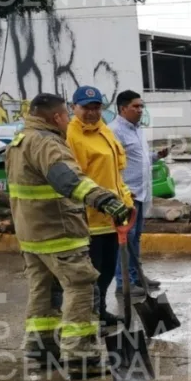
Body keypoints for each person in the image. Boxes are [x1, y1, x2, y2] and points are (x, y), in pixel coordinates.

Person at [9, 93, 130, 372]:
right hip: (58, 230)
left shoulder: (20, 141)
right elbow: (68, 179)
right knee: (80, 286)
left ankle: (42, 346)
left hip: (31, 233)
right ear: (56, 117)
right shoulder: (47, 143)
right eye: (66, 115)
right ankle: (80, 354)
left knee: (44, 289)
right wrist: (105, 200)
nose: (68, 120)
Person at [65, 86, 138, 334]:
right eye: (86, 108)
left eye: (96, 107)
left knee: (107, 269)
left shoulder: (104, 131)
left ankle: (100, 311)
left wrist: (126, 201)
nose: (92, 112)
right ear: (73, 108)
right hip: (90, 218)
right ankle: (90, 316)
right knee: (92, 274)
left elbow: (116, 173)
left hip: (114, 215)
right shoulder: (72, 137)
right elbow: (75, 180)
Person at [109, 90, 169, 291]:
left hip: (142, 193)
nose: (140, 110)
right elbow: (113, 165)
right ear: (122, 108)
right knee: (125, 240)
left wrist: (156, 156)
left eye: (141, 106)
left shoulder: (137, 129)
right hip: (127, 195)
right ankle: (123, 282)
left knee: (136, 238)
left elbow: (138, 159)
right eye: (135, 106)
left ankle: (136, 277)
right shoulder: (114, 131)